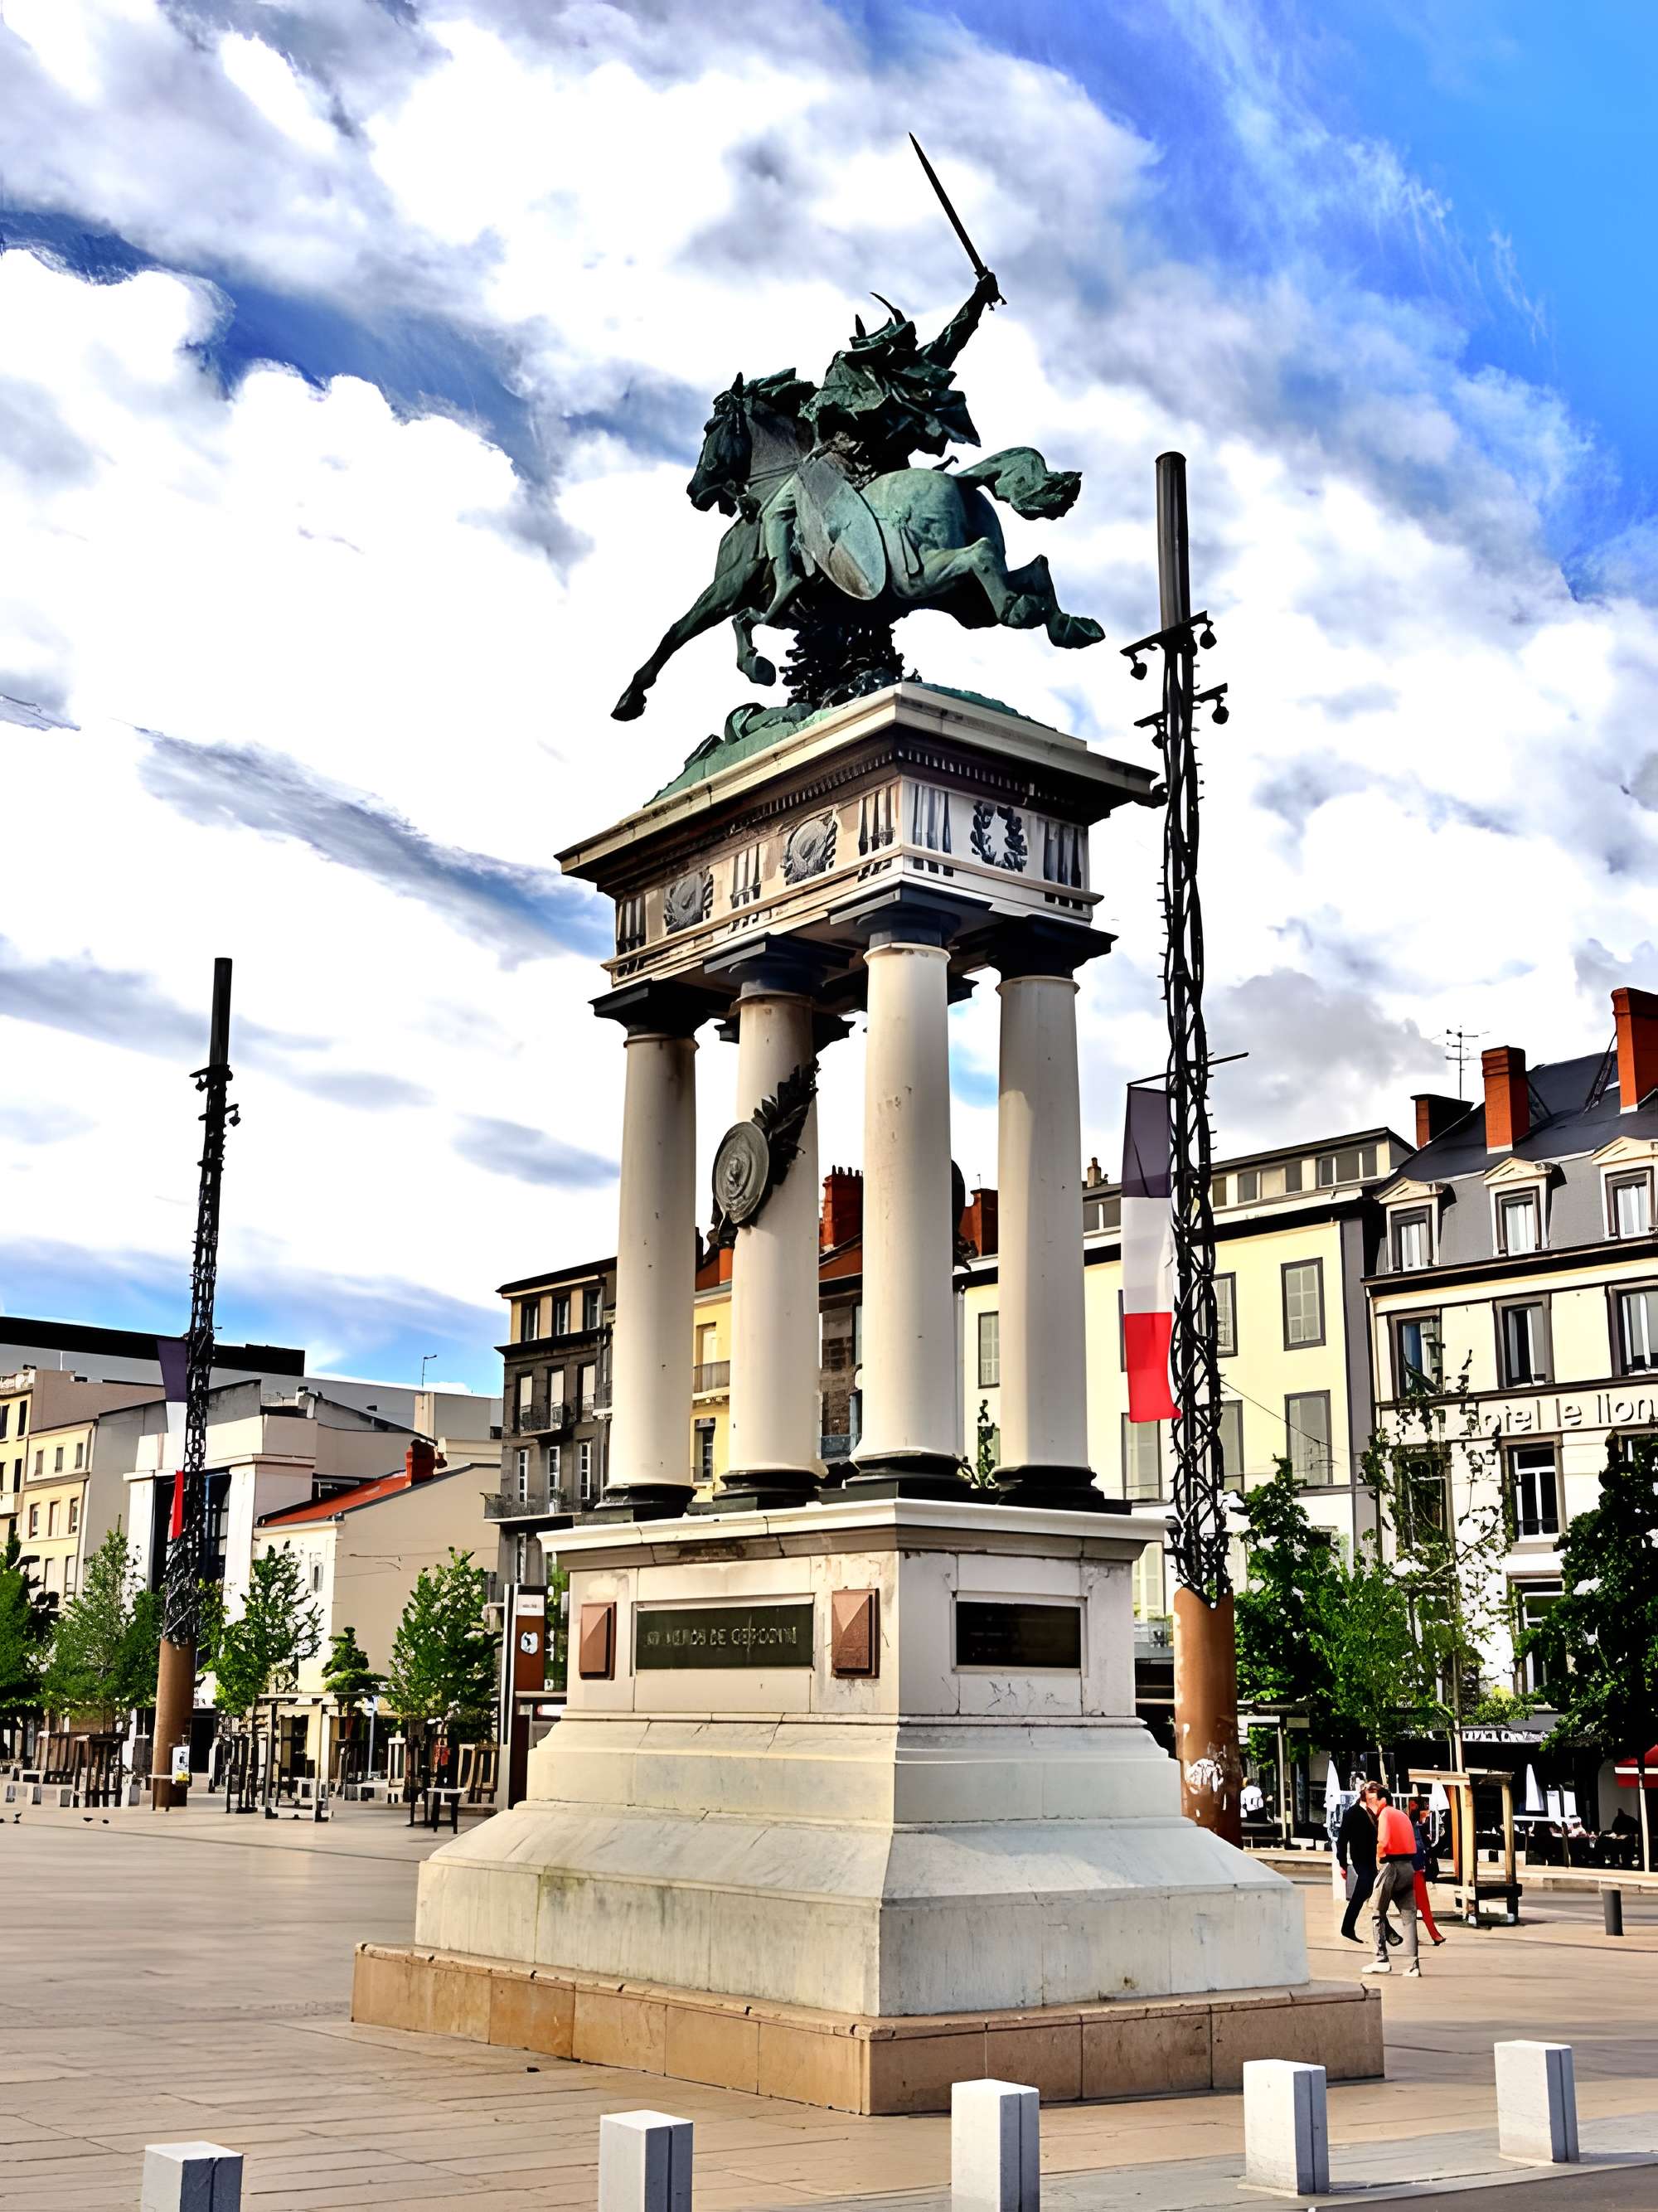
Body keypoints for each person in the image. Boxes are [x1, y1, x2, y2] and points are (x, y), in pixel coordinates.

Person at [1364, 1786, 1422, 1977]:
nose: (1369, 1805)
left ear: (1382, 1800)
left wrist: (1379, 1861)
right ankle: (1413, 1965)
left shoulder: (1386, 1815)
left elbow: (1384, 1841)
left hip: (1391, 1866)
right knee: (1409, 1918)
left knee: (1376, 1912)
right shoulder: (1403, 1816)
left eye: (1372, 1800)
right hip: (1408, 1866)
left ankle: (1381, 1959)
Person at [1337, 1780, 1380, 1943]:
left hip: (1371, 1859)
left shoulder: (1372, 1813)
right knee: (1368, 1891)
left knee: (1369, 1892)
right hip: (1360, 1859)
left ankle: (1348, 1927)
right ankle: (1348, 1927)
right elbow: (1342, 1840)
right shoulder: (1353, 1813)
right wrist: (1342, 1863)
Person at [1406, 1795, 1446, 1948]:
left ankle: (1423, 1936)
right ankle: (1433, 1935)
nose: (1428, 1813)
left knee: (1415, 1906)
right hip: (1414, 1871)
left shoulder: (1416, 1827)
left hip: (1416, 1870)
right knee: (1420, 1905)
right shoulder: (1414, 1828)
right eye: (1426, 1810)